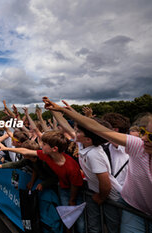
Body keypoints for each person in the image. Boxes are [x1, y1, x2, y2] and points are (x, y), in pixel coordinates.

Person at [42, 97, 152, 233]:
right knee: (96, 226)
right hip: (133, 207)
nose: (143, 139)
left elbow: (105, 183)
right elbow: (90, 127)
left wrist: (101, 196)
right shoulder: (138, 145)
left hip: (110, 196)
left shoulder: (94, 154)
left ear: (88, 139)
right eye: (143, 133)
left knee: (112, 227)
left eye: (150, 136)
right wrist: (58, 111)